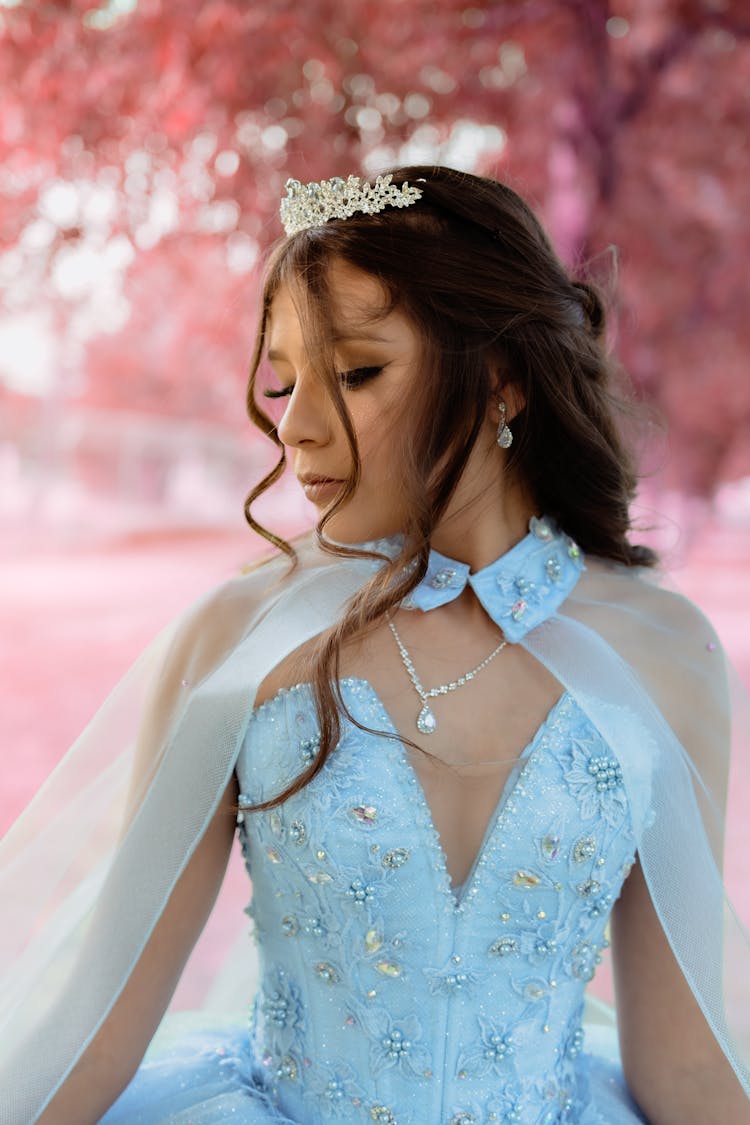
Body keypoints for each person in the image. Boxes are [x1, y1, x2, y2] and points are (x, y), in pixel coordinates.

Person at [1, 166, 748, 1124]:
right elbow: (93, 1020)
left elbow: (685, 1068)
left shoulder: (667, 653)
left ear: (501, 377)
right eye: (284, 381)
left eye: (355, 373)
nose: (298, 427)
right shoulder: (242, 641)